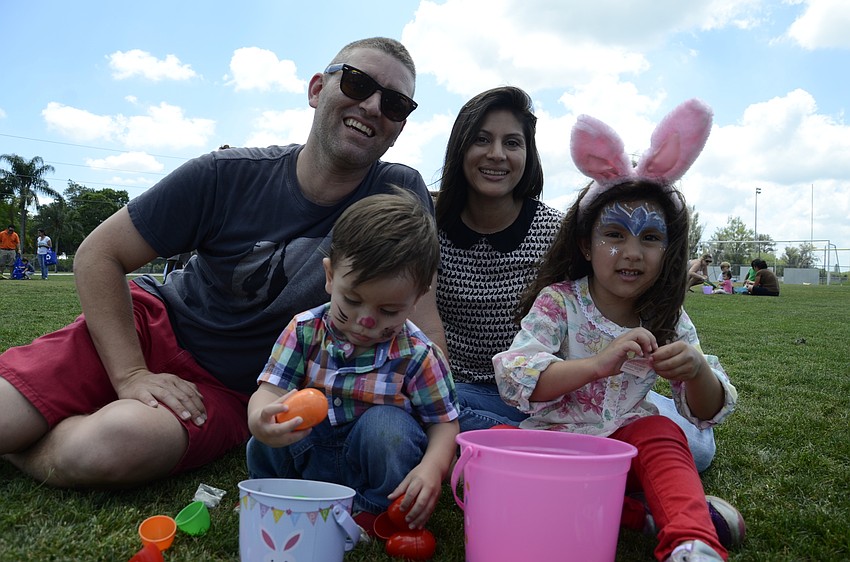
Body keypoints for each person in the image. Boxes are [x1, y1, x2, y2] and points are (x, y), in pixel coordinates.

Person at [0, 37, 442, 489]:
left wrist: (432, 420)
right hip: (151, 326)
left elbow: (417, 314)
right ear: (316, 90)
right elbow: (98, 254)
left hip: (231, 392)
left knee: (107, 448)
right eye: (356, 82)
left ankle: (35, 441)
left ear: (401, 125)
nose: (372, 106)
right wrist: (131, 374)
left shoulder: (398, 194)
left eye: (395, 103)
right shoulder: (225, 173)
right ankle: (39, 419)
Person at [493, 100, 743, 562]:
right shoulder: (559, 302)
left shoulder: (666, 317)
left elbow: (705, 410)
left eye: (650, 238)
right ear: (586, 244)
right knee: (545, 501)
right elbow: (517, 377)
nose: (632, 252)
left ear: (668, 251)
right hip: (560, 449)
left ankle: (693, 542)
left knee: (663, 432)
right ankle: (645, 517)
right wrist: (596, 364)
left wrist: (697, 371)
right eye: (615, 235)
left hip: (630, 450)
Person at [435, 86, 716, 472]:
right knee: (434, 410)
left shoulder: (552, 229)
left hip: (579, 389)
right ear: (460, 147)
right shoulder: (433, 231)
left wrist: (688, 363)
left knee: (689, 450)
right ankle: (542, 445)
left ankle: (540, 445)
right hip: (489, 390)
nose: (497, 154)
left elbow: (621, 289)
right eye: (482, 139)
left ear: (528, 154)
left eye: (512, 142)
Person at [246, 189, 458, 531]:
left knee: (387, 427)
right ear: (330, 276)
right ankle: (275, 495)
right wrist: (260, 418)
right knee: (275, 424)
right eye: (352, 301)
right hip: (307, 456)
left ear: (417, 298)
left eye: (389, 310)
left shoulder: (417, 354)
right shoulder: (304, 330)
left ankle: (372, 512)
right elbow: (269, 390)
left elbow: (444, 423)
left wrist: (433, 467)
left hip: (373, 467)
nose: (366, 320)